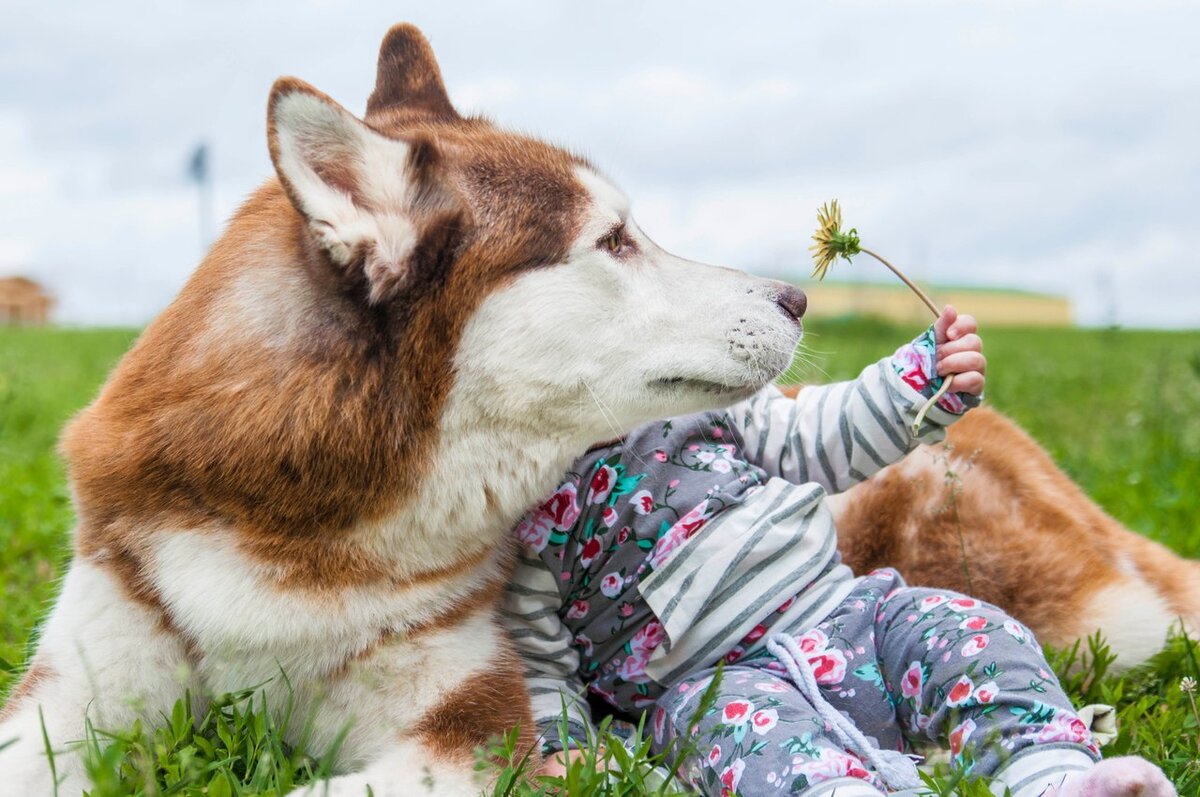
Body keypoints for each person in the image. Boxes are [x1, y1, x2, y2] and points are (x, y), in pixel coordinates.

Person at [502, 307, 1174, 797]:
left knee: (972, 631)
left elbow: (819, 429)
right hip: (711, 686)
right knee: (752, 751)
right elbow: (540, 663)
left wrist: (920, 379)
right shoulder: (527, 527)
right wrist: (562, 752)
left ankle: (1050, 773)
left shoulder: (700, 399)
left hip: (849, 609)